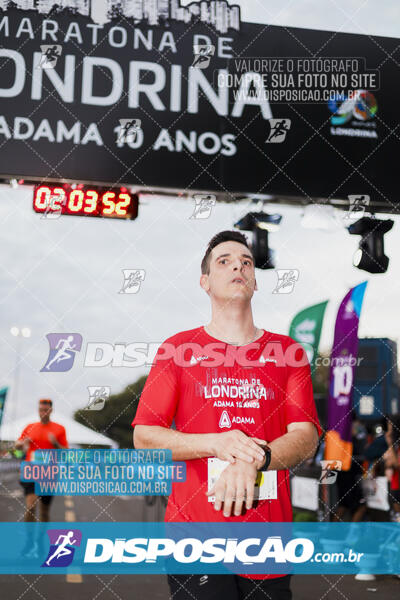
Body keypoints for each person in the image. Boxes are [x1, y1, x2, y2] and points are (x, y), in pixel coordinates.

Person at [132, 231, 322, 600]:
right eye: (224, 261)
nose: (238, 264)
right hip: (196, 537)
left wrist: (256, 459)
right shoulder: (178, 349)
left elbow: (305, 436)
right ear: (205, 282)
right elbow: (145, 438)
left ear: (254, 281)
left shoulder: (288, 352)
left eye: (246, 262)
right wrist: (218, 443)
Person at [15, 398, 68, 523]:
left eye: (46, 410)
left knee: (44, 511)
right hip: (31, 470)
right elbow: (17, 444)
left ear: (51, 410)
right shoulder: (30, 427)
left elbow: (65, 451)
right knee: (31, 506)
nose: (43, 412)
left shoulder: (59, 429)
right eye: (40, 410)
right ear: (38, 410)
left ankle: (40, 537)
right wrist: (21, 444)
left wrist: (55, 443)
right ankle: (29, 538)